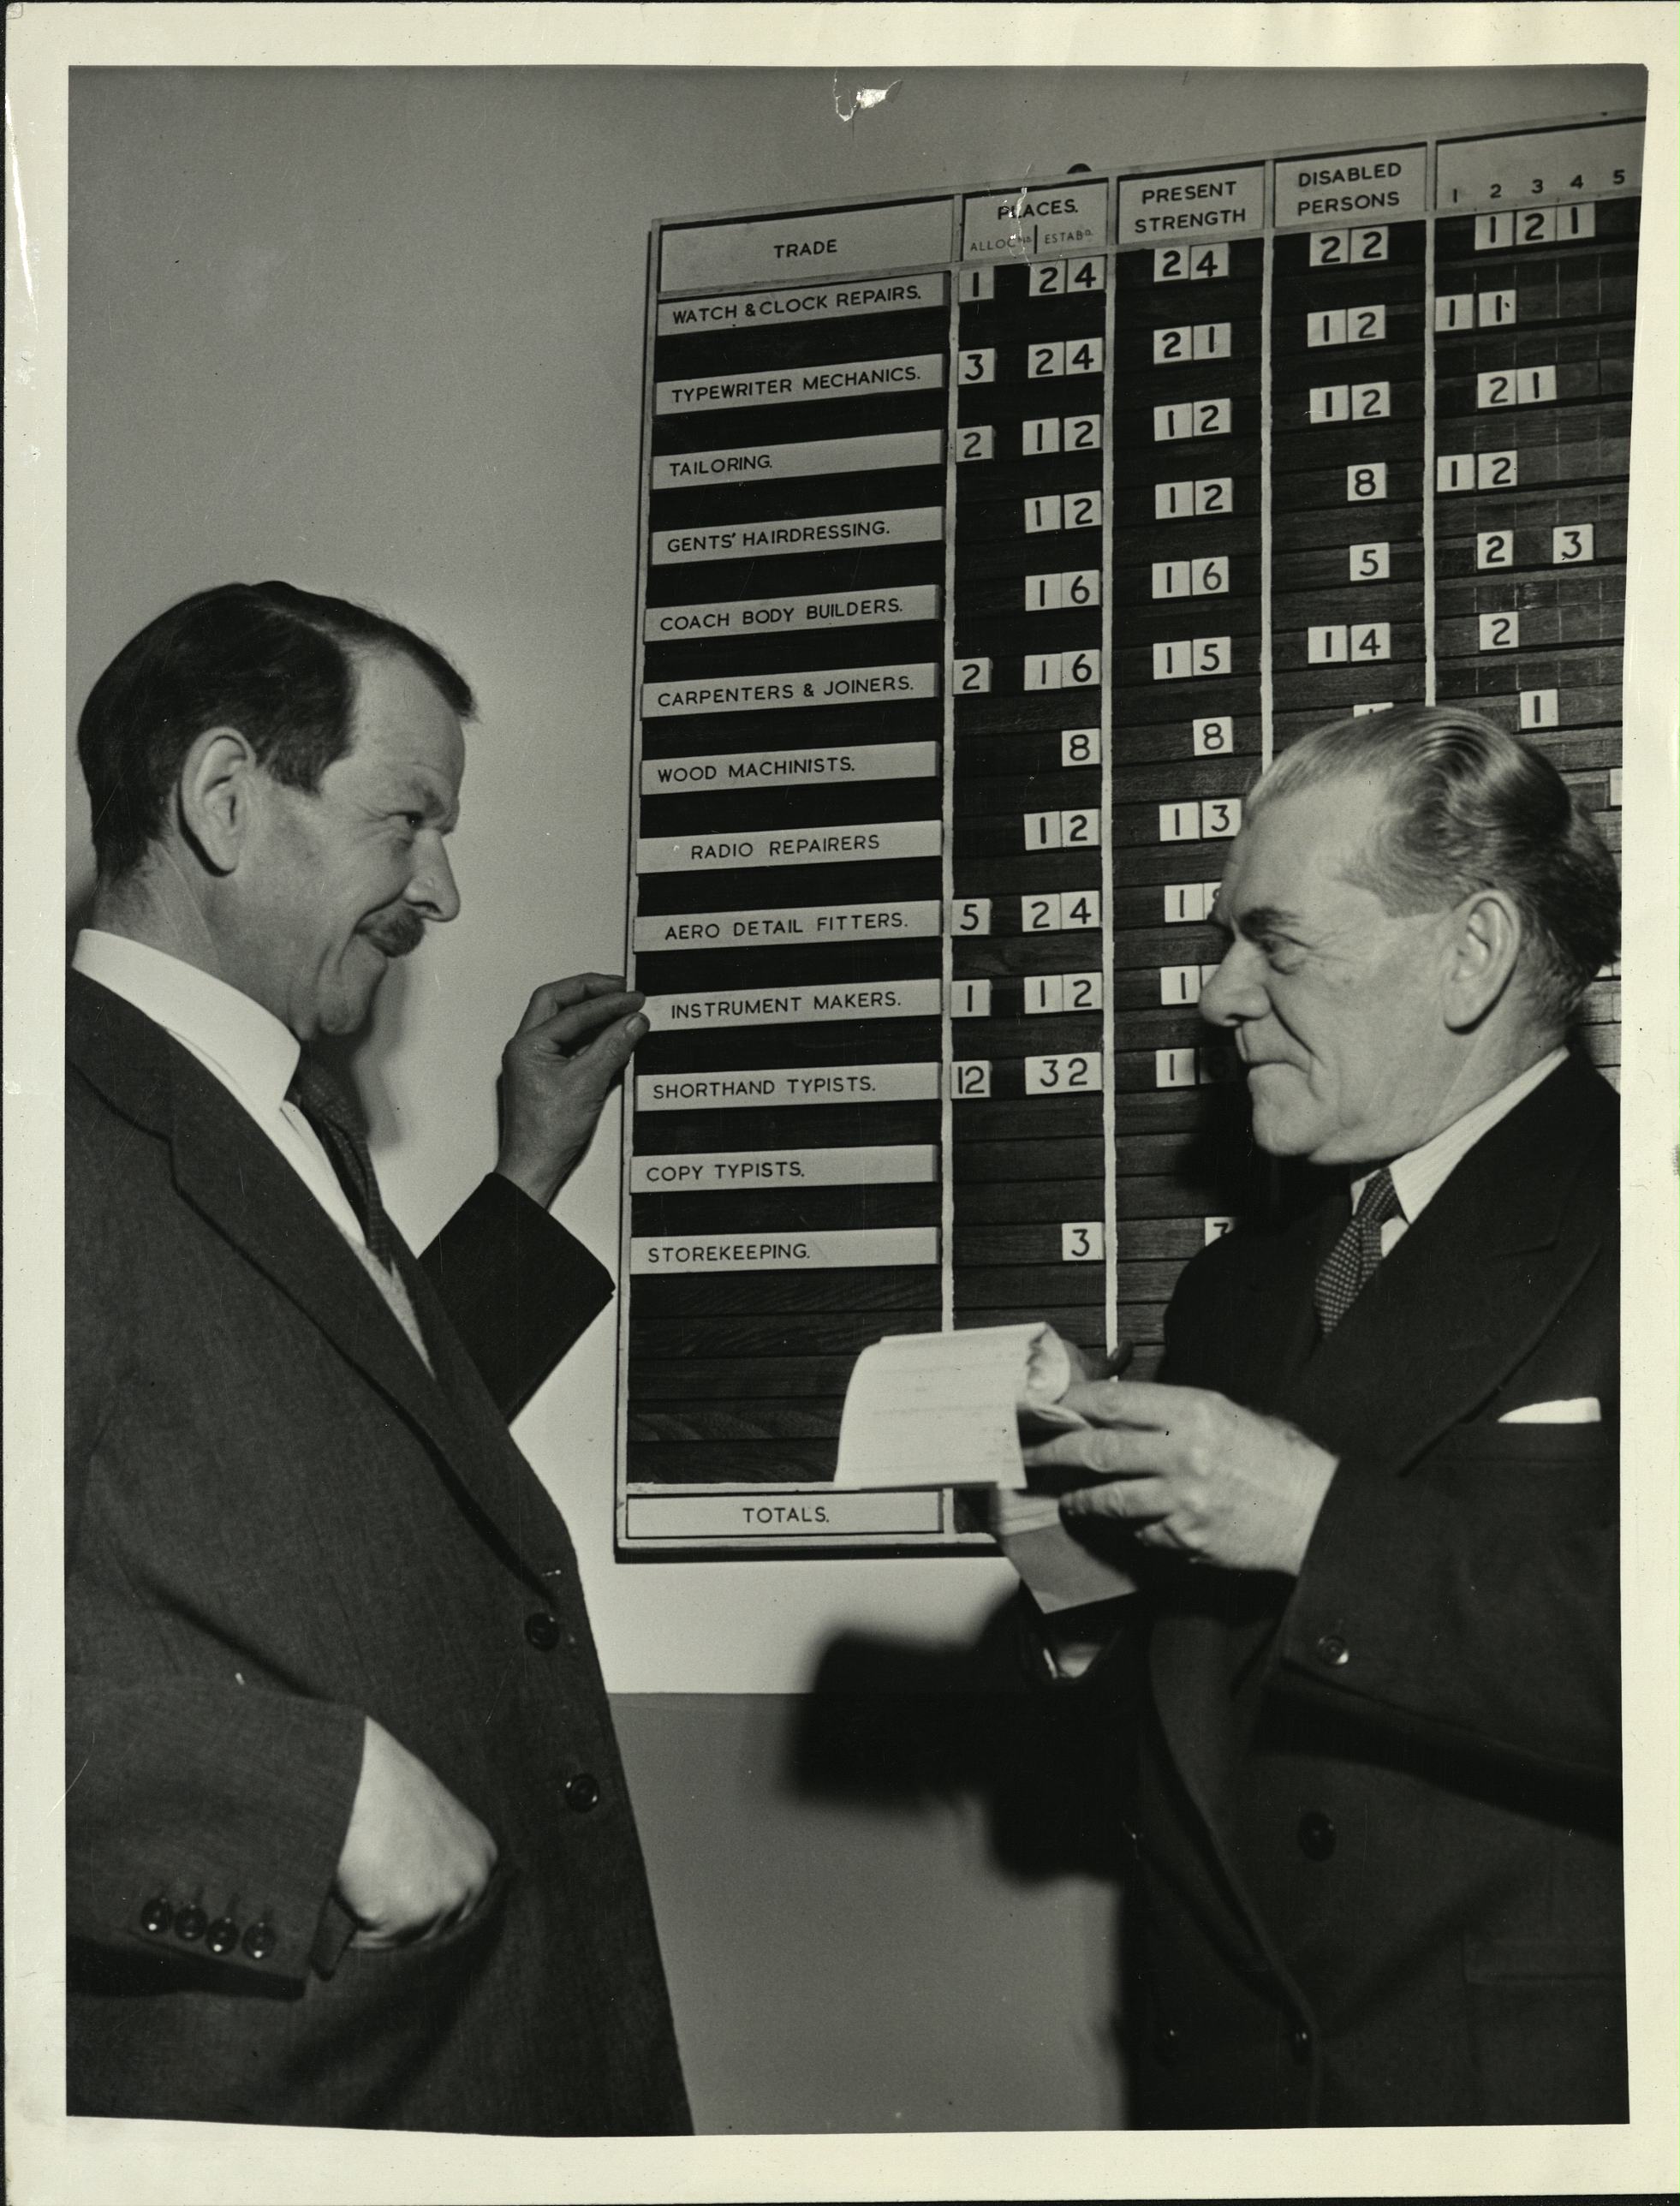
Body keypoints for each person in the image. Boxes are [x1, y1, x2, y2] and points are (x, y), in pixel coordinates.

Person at [65, 581, 689, 2134]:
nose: (443, 893)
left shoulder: (266, 1116)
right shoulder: (37, 1119)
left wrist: (525, 1184)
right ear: (224, 800)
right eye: (406, 820)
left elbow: (343, 1438)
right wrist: (296, 1789)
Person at [1009, 705, 1623, 2126]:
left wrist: (1314, 1524)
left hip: (1505, 2108)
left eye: (1272, 942)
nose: (1219, 996)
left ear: (1469, 954)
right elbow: (1193, 1751)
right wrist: (1070, 1550)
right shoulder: (1235, 1288)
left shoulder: (1639, 1217)